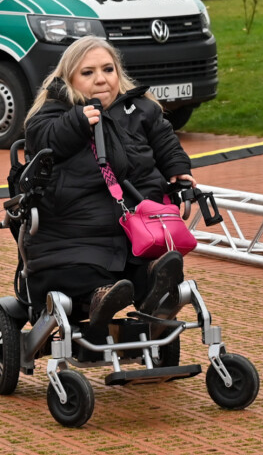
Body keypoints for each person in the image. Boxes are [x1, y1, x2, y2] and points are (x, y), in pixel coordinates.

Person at [22, 36, 191, 342]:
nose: (101, 79)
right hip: (74, 233)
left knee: (152, 265)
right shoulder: (53, 112)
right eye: (88, 72)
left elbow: (166, 142)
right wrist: (77, 121)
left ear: (118, 72)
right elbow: (42, 139)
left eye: (108, 69)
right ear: (69, 78)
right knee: (83, 270)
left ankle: (155, 293)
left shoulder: (141, 108)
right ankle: (100, 298)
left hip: (137, 229)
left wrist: (179, 169)